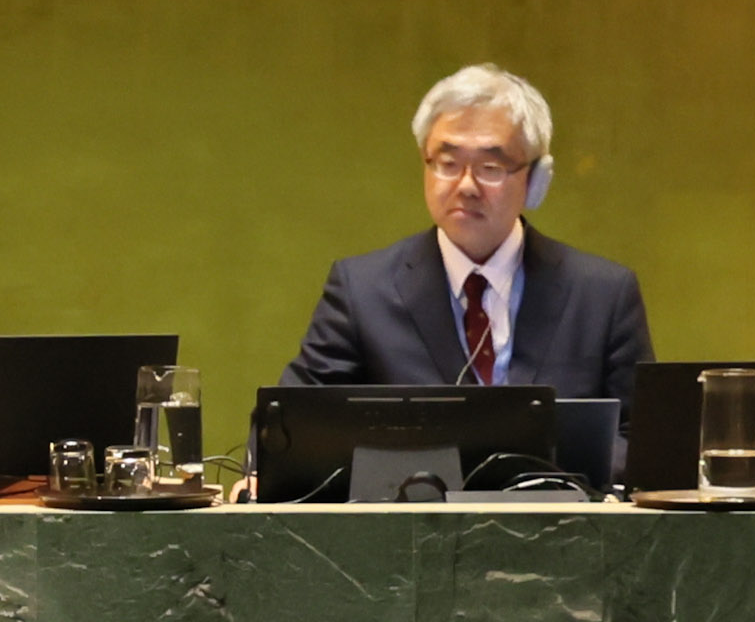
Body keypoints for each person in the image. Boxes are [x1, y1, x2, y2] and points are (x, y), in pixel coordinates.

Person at [280, 64, 653, 418]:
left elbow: (641, 437)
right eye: (448, 164)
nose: (466, 186)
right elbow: (290, 420)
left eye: (490, 168)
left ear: (536, 180)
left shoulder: (602, 295)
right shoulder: (361, 291)